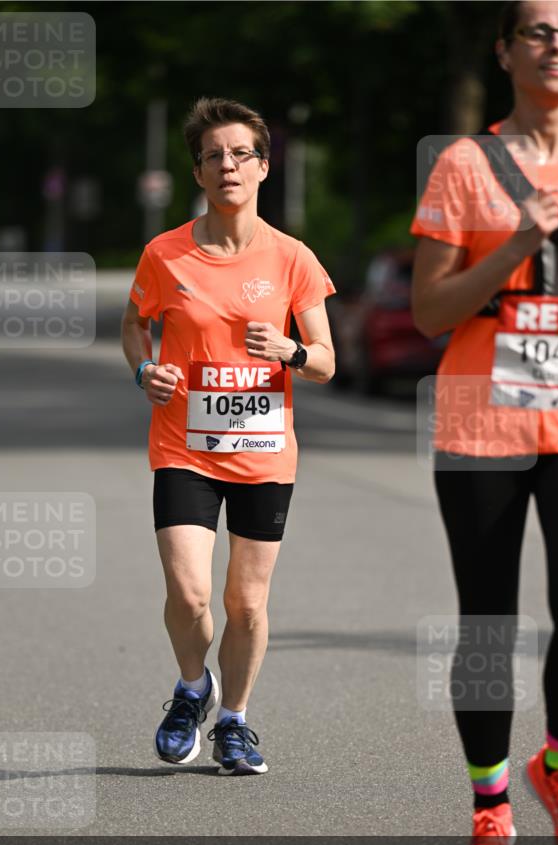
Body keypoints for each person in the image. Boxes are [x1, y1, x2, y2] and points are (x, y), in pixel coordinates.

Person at [411, 0, 558, 845]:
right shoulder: (462, 164)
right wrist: (515, 246)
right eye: (537, 31)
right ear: (504, 52)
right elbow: (428, 312)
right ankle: (490, 807)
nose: (555, 44)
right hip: (479, 417)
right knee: (488, 621)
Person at [122, 97, 335, 775]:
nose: (226, 166)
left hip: (264, 454)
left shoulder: (293, 258)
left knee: (244, 605)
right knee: (189, 595)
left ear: (264, 166)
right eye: (213, 156)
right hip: (183, 447)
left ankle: (235, 722)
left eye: (240, 153)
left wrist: (290, 350)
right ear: (198, 172)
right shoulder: (165, 253)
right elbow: (134, 326)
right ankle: (192, 689)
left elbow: (328, 360)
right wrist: (144, 369)